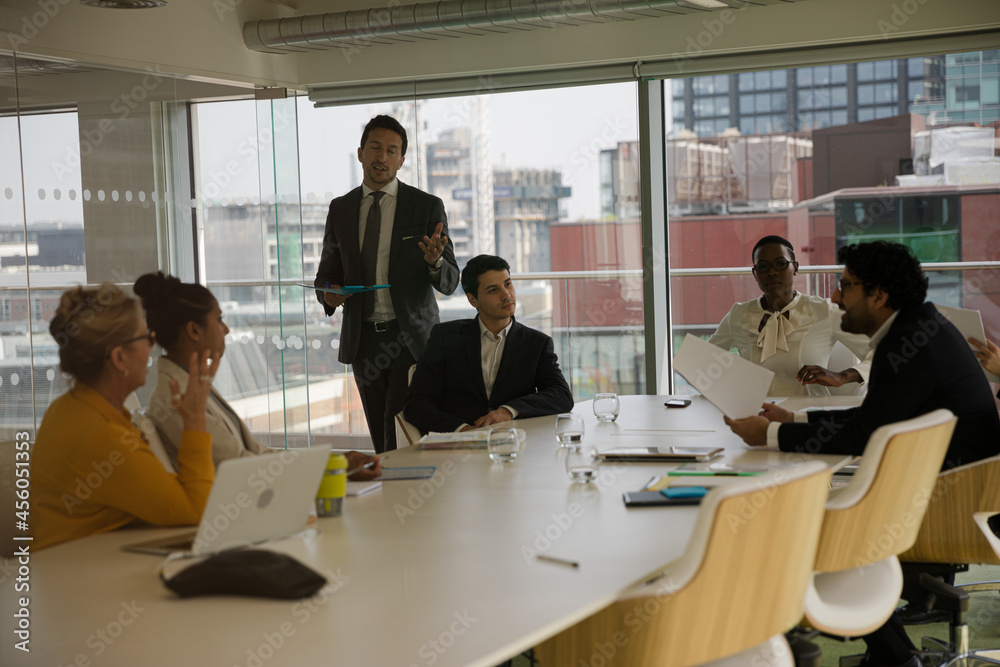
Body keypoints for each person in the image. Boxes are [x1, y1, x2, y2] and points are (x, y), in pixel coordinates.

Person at [726, 241, 1000, 667]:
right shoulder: (919, 327)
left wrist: (771, 435)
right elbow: (874, 417)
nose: (836, 297)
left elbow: (863, 434)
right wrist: (794, 421)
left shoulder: (908, 344)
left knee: (798, 526)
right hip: (952, 487)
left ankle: (869, 653)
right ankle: (894, 656)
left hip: (954, 502)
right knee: (817, 515)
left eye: (846, 286)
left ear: (878, 295)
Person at [135, 271, 381, 480]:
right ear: (194, 330)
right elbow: (240, 467)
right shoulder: (176, 398)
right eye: (218, 319)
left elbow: (253, 454)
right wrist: (332, 467)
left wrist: (334, 462)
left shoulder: (189, 384)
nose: (226, 329)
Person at [31, 283, 216, 550]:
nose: (152, 348)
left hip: (81, 567)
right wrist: (196, 418)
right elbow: (198, 510)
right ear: (119, 359)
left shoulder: (69, 409)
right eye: (146, 338)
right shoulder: (103, 437)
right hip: (80, 578)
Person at [315, 115, 459, 453]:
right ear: (361, 152)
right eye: (375, 148)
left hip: (410, 341)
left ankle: (415, 501)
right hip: (364, 342)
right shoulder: (341, 209)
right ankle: (388, 500)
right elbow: (327, 273)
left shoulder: (425, 207)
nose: (382, 157)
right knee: (381, 440)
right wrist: (329, 294)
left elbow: (451, 281)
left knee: (404, 436)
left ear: (401, 160)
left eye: (391, 151)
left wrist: (435, 261)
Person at [403, 254, 574, 434]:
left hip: (514, 444)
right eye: (493, 290)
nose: (506, 295)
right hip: (457, 449)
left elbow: (561, 395)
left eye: (508, 284)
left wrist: (508, 411)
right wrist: (463, 430)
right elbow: (416, 404)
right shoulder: (445, 337)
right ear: (473, 300)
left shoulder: (537, 343)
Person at [709, 235, 872, 397]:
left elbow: (879, 355)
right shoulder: (738, 315)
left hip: (810, 416)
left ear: (795, 268)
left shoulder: (825, 311)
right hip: (756, 417)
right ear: (754, 273)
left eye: (780, 264)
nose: (772, 272)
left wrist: (842, 376)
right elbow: (702, 362)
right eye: (763, 266)